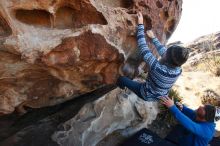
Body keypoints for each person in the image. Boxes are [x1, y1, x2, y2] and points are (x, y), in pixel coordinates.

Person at [117, 12, 190, 101]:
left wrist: (140, 25)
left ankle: (122, 86)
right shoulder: (178, 69)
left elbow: (143, 48)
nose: (165, 52)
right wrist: (153, 38)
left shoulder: (158, 68)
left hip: (146, 94)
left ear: (167, 58)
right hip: (160, 95)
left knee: (121, 79)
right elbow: (164, 52)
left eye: (167, 52)